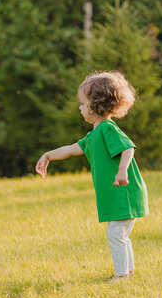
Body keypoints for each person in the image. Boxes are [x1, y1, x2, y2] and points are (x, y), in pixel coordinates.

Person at [35, 71, 149, 283]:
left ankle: (122, 276)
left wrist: (123, 170)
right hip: (118, 193)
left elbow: (128, 148)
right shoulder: (94, 135)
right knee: (119, 234)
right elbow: (70, 149)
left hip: (124, 190)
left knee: (115, 234)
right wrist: (48, 156)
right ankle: (129, 272)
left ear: (97, 105)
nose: (80, 107)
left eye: (83, 103)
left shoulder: (107, 128)